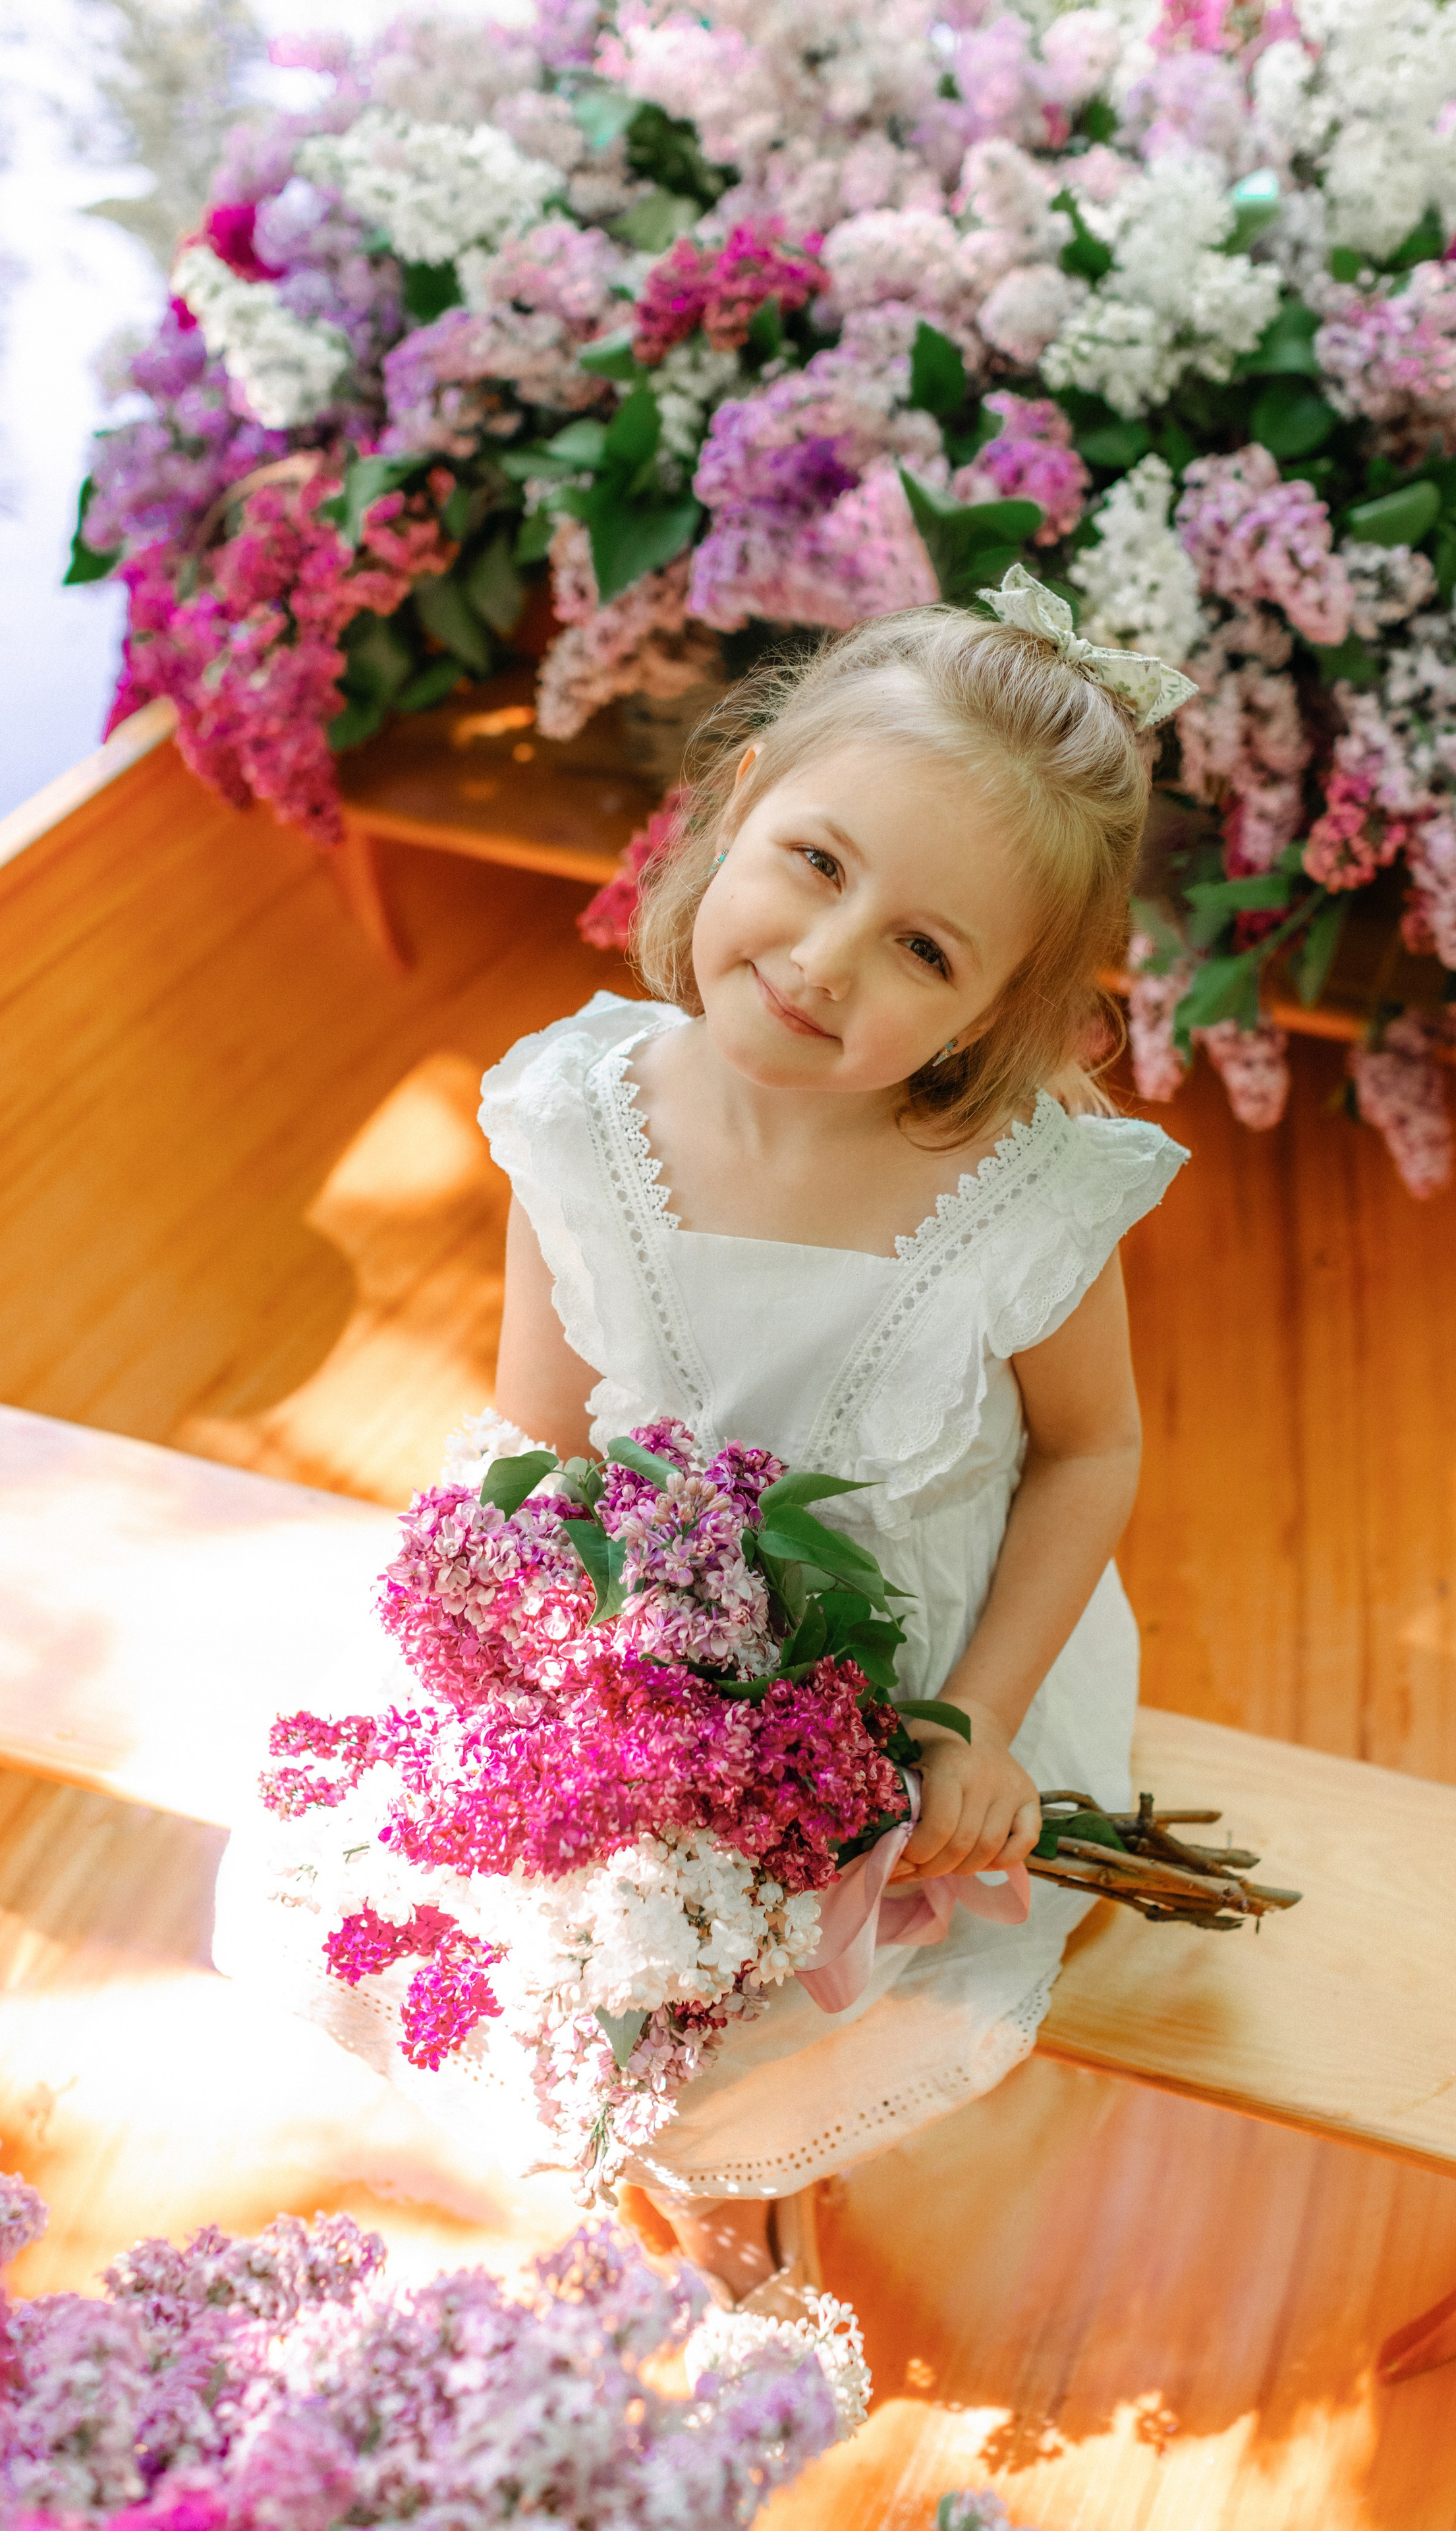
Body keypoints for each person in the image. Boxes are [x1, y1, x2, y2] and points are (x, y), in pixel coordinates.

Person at [475, 574, 1193, 2302]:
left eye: (924, 950)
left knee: (820, 1979)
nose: (820, 961)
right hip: (650, 1642)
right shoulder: (579, 1116)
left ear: (998, 1012)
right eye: (814, 862)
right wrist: (572, 1671)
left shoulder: (1016, 1196)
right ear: (734, 809)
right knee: (556, 1913)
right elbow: (537, 1439)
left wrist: (981, 1726)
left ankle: (751, 2193)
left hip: (921, 1668)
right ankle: (682, 2185)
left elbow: (1092, 1452)